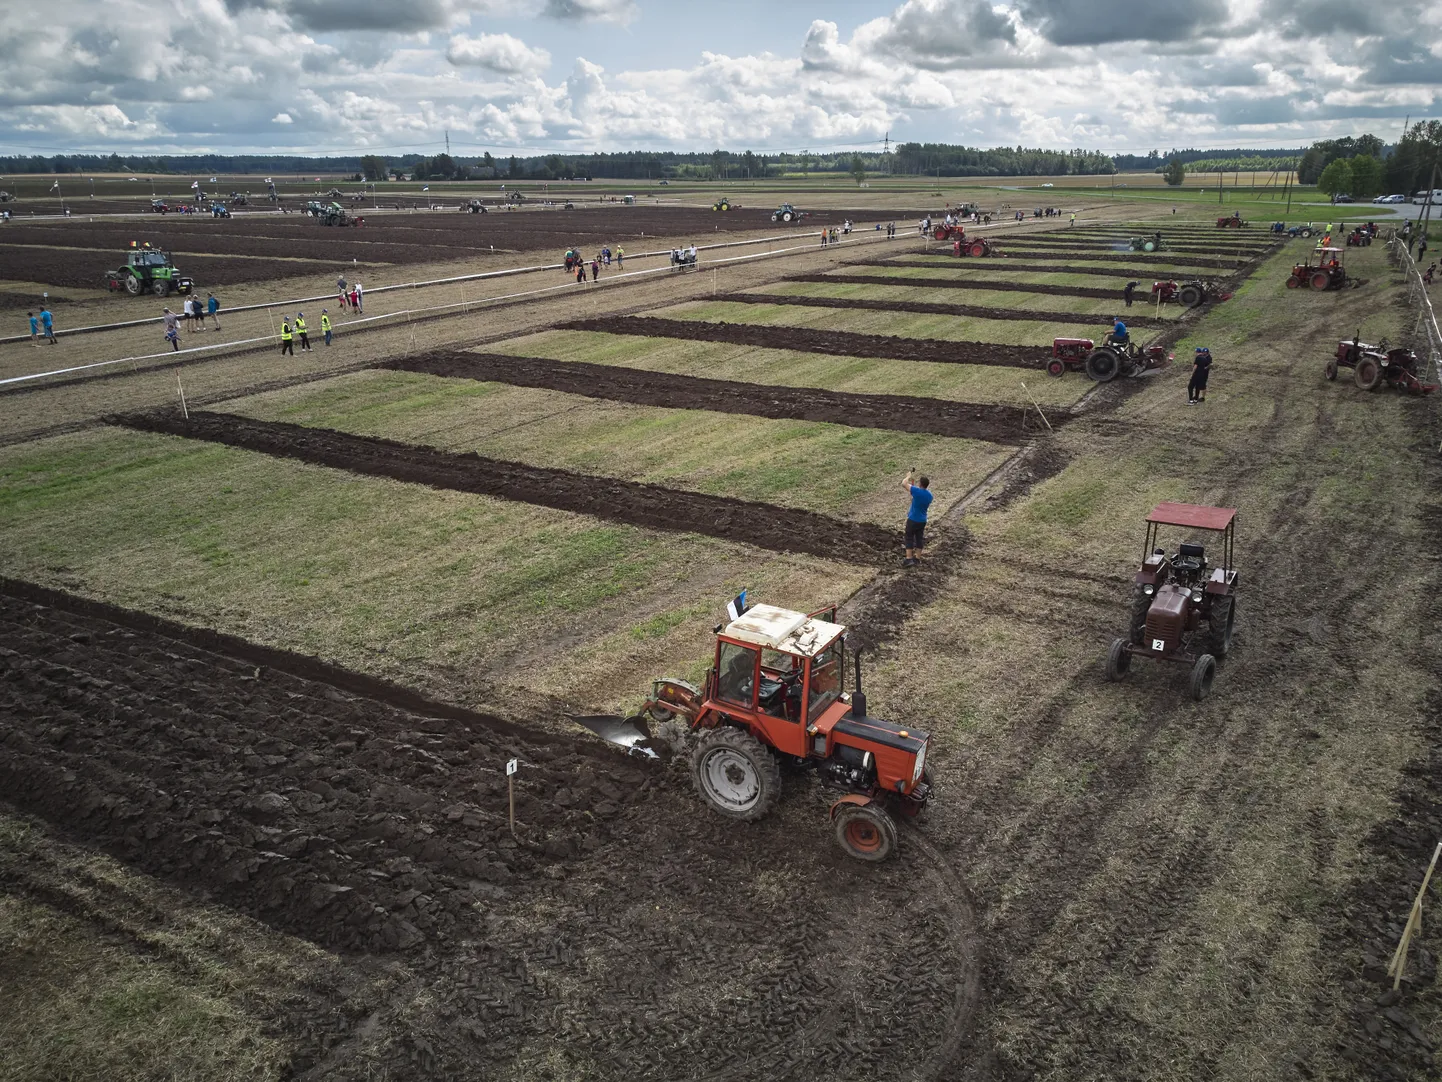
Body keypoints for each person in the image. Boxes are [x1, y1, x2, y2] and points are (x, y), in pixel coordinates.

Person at [902, 469, 932, 568]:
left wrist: (908, 476)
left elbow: (904, 483)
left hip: (913, 519)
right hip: (922, 520)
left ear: (920, 484)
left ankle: (909, 559)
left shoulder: (917, 491)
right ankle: (917, 559)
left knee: (909, 537)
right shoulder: (929, 495)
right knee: (919, 538)